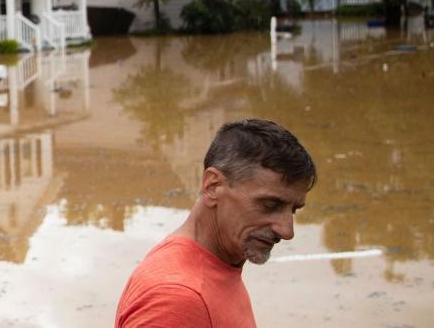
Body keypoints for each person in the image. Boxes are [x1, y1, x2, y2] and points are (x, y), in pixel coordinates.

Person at [115, 118, 317, 327]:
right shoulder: (177, 300)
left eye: (293, 210)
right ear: (213, 186)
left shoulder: (219, 265)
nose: (287, 231)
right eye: (270, 204)